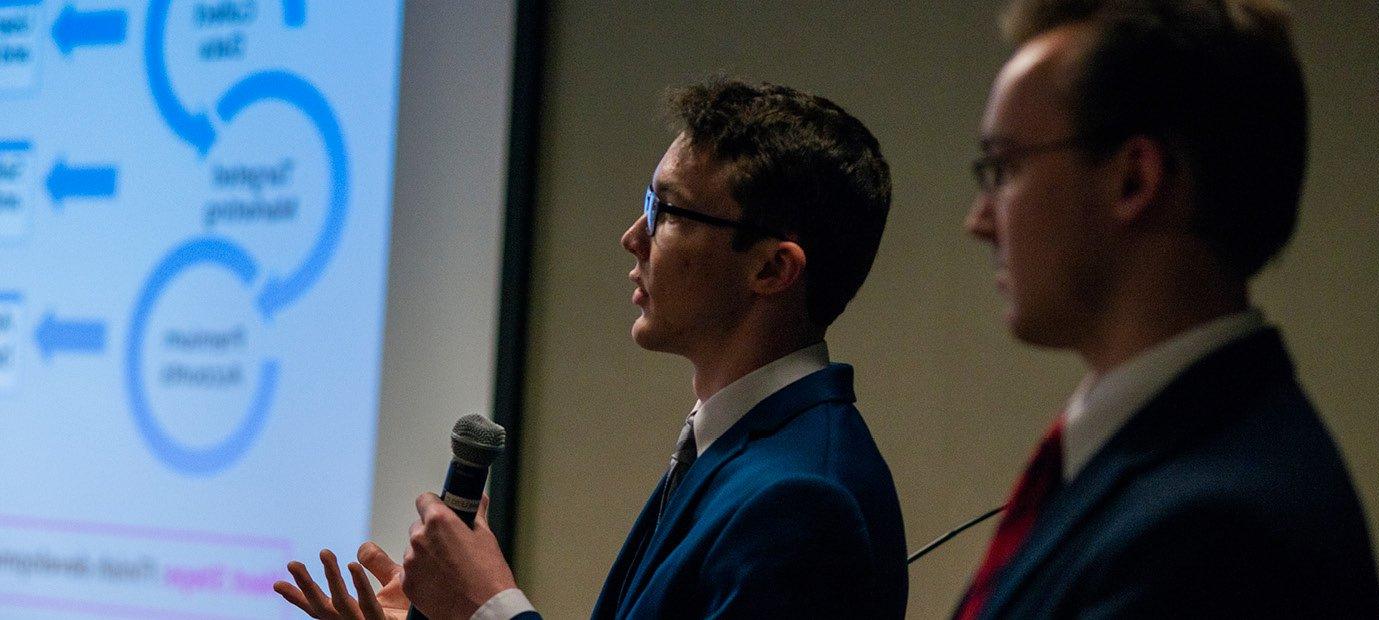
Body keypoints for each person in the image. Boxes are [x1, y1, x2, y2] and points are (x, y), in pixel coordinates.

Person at [274, 79, 908, 619]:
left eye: (669, 211)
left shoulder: (803, 499)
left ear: (773, 269)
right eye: (646, 205)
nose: (634, 236)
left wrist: (491, 606)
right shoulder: (738, 450)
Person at [953, 1, 1379, 617]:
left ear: (1133, 179)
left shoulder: (1217, 530)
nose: (978, 221)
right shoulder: (1156, 456)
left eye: (1004, 167)